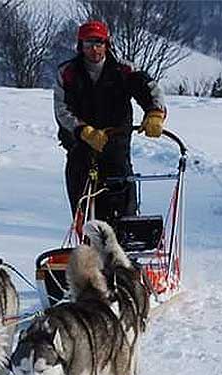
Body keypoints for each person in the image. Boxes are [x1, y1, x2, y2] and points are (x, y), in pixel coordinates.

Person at [53, 19, 167, 226]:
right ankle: (88, 247)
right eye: (88, 44)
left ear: (107, 44)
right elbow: (62, 109)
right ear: (81, 46)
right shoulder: (67, 73)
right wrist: (83, 131)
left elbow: (149, 89)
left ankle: (125, 248)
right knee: (84, 207)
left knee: (122, 203)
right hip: (81, 147)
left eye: (99, 43)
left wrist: (155, 113)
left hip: (116, 145)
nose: (94, 49)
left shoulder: (124, 70)